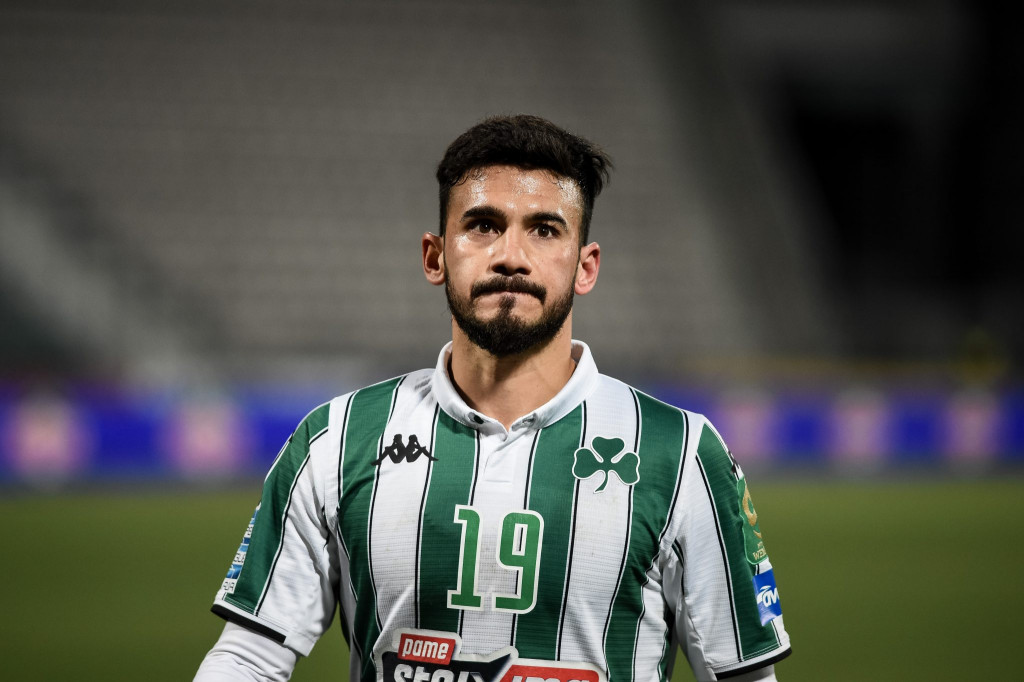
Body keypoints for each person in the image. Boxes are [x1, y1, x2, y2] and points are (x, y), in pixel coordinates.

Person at [195, 115, 791, 682]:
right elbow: (248, 659)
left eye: (545, 229)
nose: (510, 255)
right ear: (435, 256)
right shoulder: (337, 439)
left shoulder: (680, 453)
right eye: (483, 225)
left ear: (585, 267)